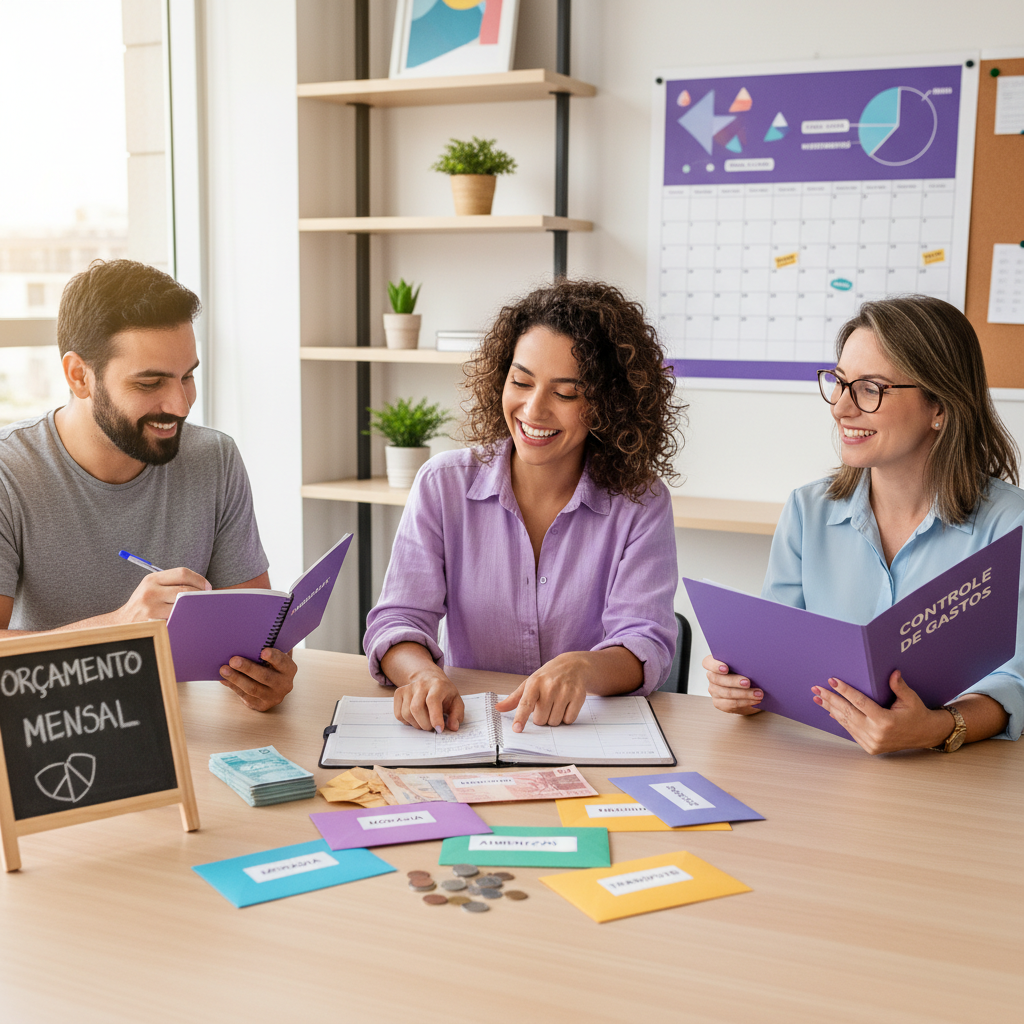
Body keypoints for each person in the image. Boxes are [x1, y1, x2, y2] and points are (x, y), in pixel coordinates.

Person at [704, 295, 1024, 753]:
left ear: (941, 407)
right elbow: (777, 656)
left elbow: (1016, 681)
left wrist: (938, 727)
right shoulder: (806, 510)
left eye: (870, 388)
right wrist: (743, 687)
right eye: (839, 383)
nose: (840, 408)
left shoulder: (1011, 523)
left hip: (960, 779)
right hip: (825, 764)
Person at [364, 279, 684, 734]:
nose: (534, 409)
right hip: (468, 733)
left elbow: (644, 641)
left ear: (610, 404)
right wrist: (422, 674)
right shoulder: (443, 484)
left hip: (585, 736)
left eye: (566, 392)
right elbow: (398, 620)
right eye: (521, 381)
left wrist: (583, 668)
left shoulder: (640, 502)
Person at [0, 259, 295, 711]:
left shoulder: (215, 458)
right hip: (50, 727)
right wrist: (121, 626)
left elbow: (252, 629)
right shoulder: (10, 472)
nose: (179, 404)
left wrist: (264, 675)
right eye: (150, 382)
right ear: (79, 376)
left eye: (188, 376)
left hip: (177, 726)